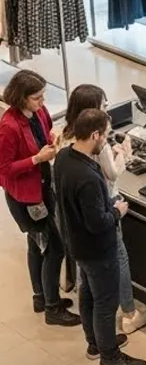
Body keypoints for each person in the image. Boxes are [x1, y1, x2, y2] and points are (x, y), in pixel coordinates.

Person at [54, 108, 146, 365]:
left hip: (76, 243)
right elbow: (98, 223)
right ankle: (110, 356)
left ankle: (95, 343)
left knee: (88, 294)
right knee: (106, 301)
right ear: (94, 135)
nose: (106, 140)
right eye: (105, 135)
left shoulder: (63, 158)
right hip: (97, 249)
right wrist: (118, 211)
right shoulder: (88, 177)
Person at [0, 70, 79, 326]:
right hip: (27, 197)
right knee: (54, 249)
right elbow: (4, 168)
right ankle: (52, 307)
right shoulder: (8, 126)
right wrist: (36, 159)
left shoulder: (40, 113)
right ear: (21, 98)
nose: (42, 101)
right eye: (36, 97)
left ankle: (41, 295)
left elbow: (44, 136)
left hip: (43, 187)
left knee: (37, 245)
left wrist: (51, 141)